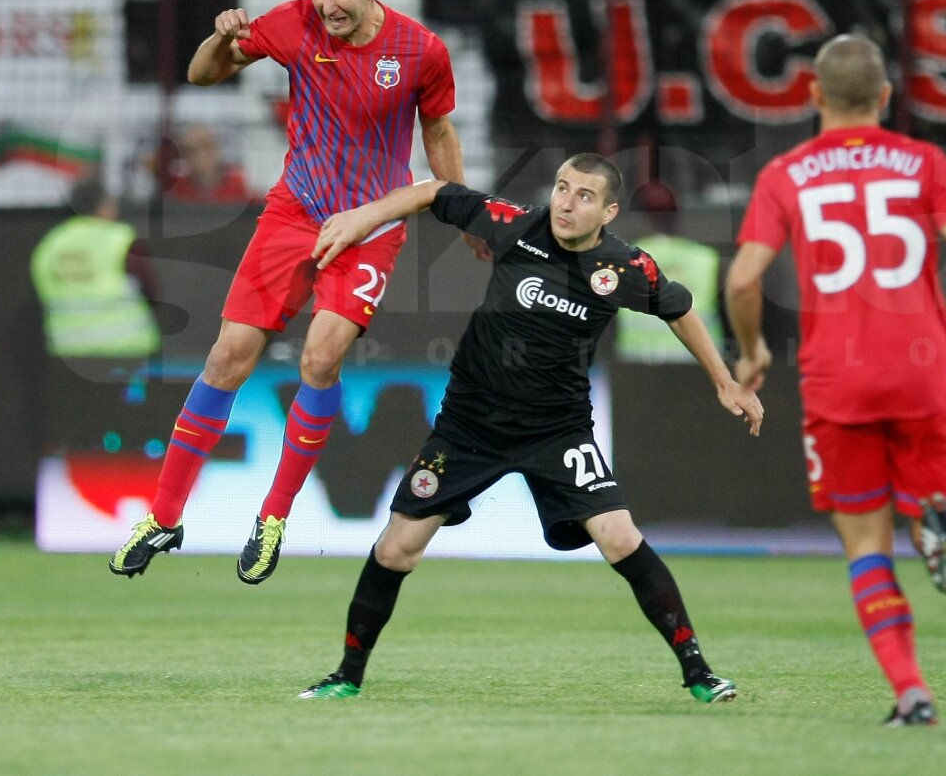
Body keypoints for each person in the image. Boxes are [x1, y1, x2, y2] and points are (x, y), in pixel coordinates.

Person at [298, 153, 764, 704]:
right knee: (398, 548)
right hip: (469, 426)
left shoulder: (624, 268)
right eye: (562, 188)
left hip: (557, 431)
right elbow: (434, 190)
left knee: (619, 537)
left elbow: (679, 310)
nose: (566, 202)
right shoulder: (515, 225)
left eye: (584, 196)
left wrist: (725, 381)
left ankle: (699, 672)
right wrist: (364, 217)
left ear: (609, 211)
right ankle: (346, 675)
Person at [111, 0, 480, 585]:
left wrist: (465, 211)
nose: (328, 6)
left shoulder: (419, 51)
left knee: (321, 354)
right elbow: (201, 75)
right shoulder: (292, 25)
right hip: (291, 215)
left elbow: (440, 131)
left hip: (369, 226)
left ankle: (273, 516)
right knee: (227, 358)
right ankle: (164, 518)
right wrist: (222, 38)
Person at [724, 34, 946, 726]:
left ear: (814, 95)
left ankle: (912, 693)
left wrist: (754, 349)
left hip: (836, 383)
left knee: (864, 546)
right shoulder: (925, 163)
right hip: (922, 373)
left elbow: (741, 277)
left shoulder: (786, 174)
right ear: (885, 97)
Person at [30, 175, 161, 360]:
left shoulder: (52, 243)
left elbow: (43, 288)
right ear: (104, 205)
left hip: (68, 350)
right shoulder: (121, 239)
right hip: (126, 349)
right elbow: (151, 290)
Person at [615, 181, 724, 363]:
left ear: (641, 217)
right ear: (677, 215)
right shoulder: (706, 259)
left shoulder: (621, 261)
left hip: (637, 367)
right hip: (700, 365)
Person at [164, 124, 253, 204]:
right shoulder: (177, 188)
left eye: (206, 146)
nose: (200, 154)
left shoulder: (239, 184)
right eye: (190, 149)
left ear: (217, 148)